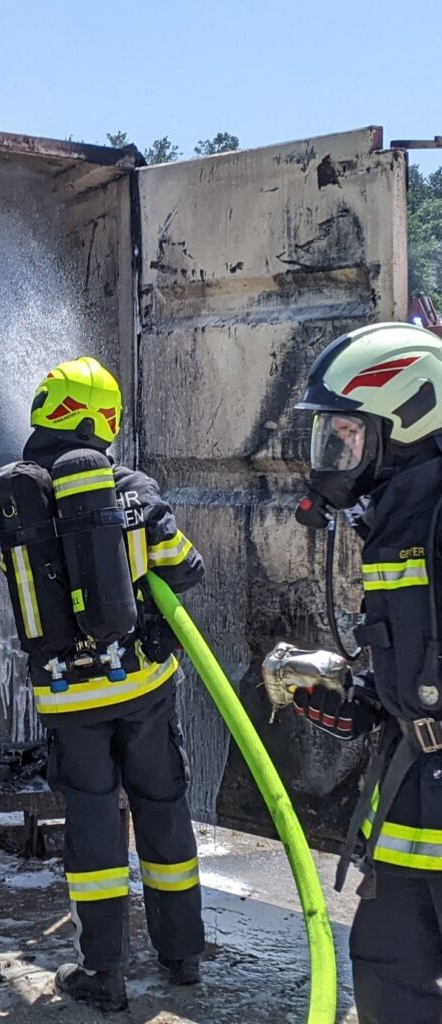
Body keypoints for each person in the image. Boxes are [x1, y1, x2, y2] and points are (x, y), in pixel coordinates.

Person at [15, 356, 206, 1012]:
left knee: (92, 821)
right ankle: (182, 955)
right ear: (106, 420)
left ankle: (102, 971)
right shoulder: (133, 486)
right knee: (162, 806)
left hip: (68, 695)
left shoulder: (22, 494)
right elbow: (184, 567)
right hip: (142, 684)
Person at [287, 321, 442, 1024]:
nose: (330, 459)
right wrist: (365, 697)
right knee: (385, 972)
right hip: (412, 795)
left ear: (407, 423)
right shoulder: (397, 524)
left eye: (346, 436)